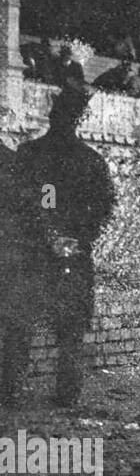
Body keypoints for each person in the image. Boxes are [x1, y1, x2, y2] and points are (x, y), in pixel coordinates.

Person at [14, 86, 117, 407]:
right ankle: (67, 394)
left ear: (51, 113)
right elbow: (103, 207)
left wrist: (48, 236)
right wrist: (77, 239)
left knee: (19, 325)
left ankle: (10, 391)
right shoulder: (91, 160)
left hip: (32, 253)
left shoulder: (28, 154)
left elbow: (20, 205)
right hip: (74, 255)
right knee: (71, 329)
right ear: (80, 117)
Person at [0, 137, 55, 408]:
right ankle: (11, 388)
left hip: (12, 254)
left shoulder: (17, 160)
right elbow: (38, 208)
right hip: (14, 255)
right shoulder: (15, 161)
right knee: (16, 324)